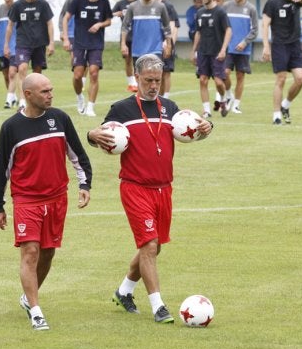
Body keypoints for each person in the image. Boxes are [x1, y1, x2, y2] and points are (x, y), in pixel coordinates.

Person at [86, 54, 212, 324]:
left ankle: (124, 291)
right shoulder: (122, 109)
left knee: (154, 247)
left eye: (158, 80)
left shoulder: (171, 109)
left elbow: (194, 130)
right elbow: (100, 133)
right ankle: (159, 307)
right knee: (149, 245)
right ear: (137, 77)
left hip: (164, 188)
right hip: (135, 187)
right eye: (148, 80)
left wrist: (206, 127)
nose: (154, 85)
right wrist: (91, 135)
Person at [0, 72, 92, 331]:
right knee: (30, 251)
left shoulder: (60, 119)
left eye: (51, 90)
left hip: (57, 198)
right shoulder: (11, 128)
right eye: (45, 91)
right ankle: (36, 311)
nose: (50, 95)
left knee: (47, 252)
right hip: (26, 200)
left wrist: (84, 184)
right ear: (28, 94)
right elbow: (2, 168)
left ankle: (28, 297)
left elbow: (77, 154)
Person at [62, 0, 112, 117]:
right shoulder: (78, 0)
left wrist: (100, 24)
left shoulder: (104, 1)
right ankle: (80, 98)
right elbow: (66, 18)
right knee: (77, 76)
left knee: (94, 73)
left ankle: (91, 107)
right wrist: (66, 38)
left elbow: (109, 20)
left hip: (96, 43)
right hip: (79, 43)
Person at [262, 0, 302, 125]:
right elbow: (265, 25)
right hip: (279, 45)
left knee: (300, 79)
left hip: (295, 44)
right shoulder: (272, 2)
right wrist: (266, 46)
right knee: (281, 79)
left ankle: (285, 105)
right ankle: (276, 116)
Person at [4, 0, 55, 109]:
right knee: (22, 69)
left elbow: (50, 23)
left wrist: (52, 43)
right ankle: (22, 101)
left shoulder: (43, 4)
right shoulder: (18, 5)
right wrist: (6, 44)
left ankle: (36, 100)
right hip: (23, 43)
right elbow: (10, 26)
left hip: (39, 44)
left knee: (37, 73)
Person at [192, 0, 232, 118]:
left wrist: (223, 49)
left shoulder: (220, 12)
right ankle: (207, 110)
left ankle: (223, 99)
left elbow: (228, 30)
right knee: (203, 80)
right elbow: (198, 32)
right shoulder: (199, 12)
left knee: (219, 82)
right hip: (203, 51)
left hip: (217, 52)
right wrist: (194, 51)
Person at [221, 0, 258, 114]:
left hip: (243, 49)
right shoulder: (226, 6)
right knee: (225, 73)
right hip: (228, 48)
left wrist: (244, 42)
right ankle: (229, 94)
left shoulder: (251, 9)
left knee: (240, 76)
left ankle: (236, 105)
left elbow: (254, 30)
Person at [120, 0, 171, 70]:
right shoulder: (133, 6)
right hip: (138, 50)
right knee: (141, 79)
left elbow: (167, 27)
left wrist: (169, 45)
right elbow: (125, 26)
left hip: (156, 49)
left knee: (154, 77)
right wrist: (123, 44)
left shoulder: (160, 6)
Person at [112, 0, 140, 92]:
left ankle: (138, 82)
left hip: (138, 36)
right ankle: (131, 83)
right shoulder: (120, 3)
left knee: (138, 60)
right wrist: (116, 14)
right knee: (127, 60)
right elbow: (109, 14)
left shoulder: (140, 2)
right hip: (126, 36)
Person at [155, 0, 180, 98]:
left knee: (166, 71)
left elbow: (174, 25)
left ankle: (166, 97)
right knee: (157, 72)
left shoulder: (168, 6)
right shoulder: (152, 6)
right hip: (154, 44)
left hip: (166, 43)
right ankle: (158, 97)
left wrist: (169, 43)